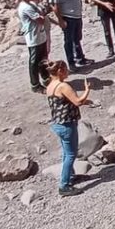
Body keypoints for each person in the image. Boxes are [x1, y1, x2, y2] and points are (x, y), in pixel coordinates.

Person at [45, 60, 93, 197]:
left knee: (66, 153)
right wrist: (87, 91)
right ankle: (64, 185)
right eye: (65, 69)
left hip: (58, 123)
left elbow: (64, 103)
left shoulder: (50, 86)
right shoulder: (63, 86)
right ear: (60, 71)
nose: (68, 72)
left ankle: (71, 177)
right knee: (71, 155)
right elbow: (77, 101)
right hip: (67, 124)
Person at [47, 0, 89, 70]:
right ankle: (71, 63)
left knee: (77, 38)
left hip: (77, 15)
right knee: (68, 40)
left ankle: (80, 58)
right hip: (67, 16)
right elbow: (54, 5)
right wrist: (60, 20)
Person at [15, 0, 53, 93]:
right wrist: (44, 12)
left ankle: (46, 78)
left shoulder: (31, 4)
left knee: (43, 59)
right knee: (34, 61)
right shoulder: (25, 7)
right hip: (33, 38)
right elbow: (40, 20)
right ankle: (35, 84)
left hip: (40, 35)